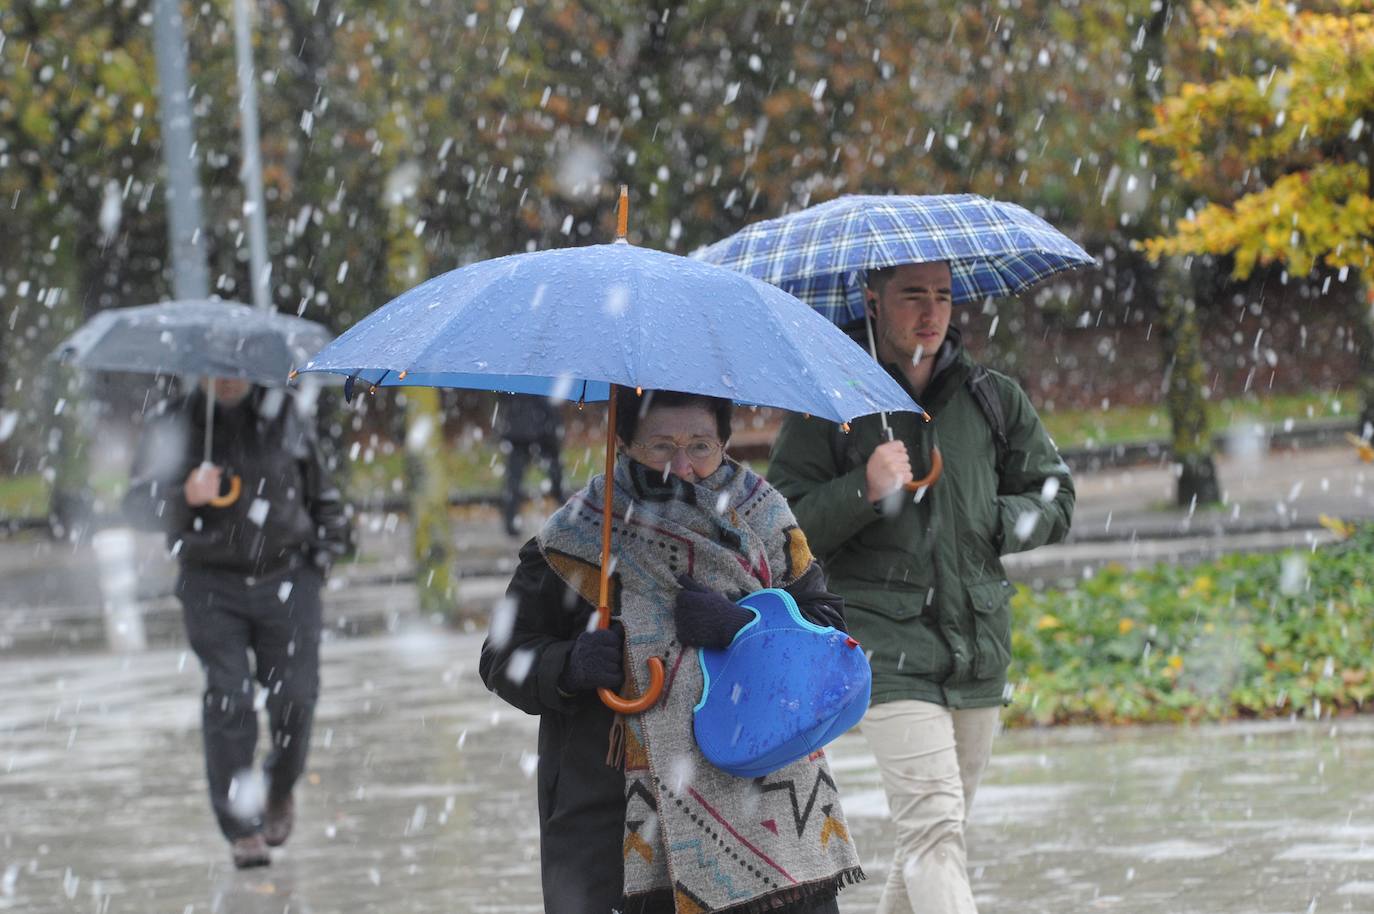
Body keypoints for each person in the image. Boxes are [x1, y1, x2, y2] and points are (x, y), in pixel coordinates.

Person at [480, 387, 864, 914]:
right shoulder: (576, 536)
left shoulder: (766, 520)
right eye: (661, 447)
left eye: (701, 446)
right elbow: (501, 657)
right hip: (614, 816)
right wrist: (571, 664)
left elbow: (830, 635)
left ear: (726, 441)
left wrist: (744, 627)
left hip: (768, 803)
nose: (682, 466)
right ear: (624, 441)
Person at [766, 261, 1075, 914]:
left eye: (943, 296)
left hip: (978, 644)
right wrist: (863, 490)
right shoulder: (830, 408)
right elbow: (780, 533)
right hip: (884, 648)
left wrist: (996, 516)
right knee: (934, 828)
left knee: (933, 837)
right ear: (872, 303)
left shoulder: (992, 397)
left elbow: (1055, 496)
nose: (932, 313)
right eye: (912, 296)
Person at [123, 377, 352, 869]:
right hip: (212, 583)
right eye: (215, 370)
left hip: (288, 577)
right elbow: (138, 507)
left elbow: (323, 493)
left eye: (236, 369)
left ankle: (278, 787)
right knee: (229, 698)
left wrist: (326, 554)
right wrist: (183, 492)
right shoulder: (175, 422)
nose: (226, 380)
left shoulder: (286, 414)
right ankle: (239, 825)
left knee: (296, 696)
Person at [498, 395, 566, 537]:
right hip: (535, 429)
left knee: (515, 481)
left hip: (524, 429)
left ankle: (511, 521)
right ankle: (568, 513)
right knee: (553, 476)